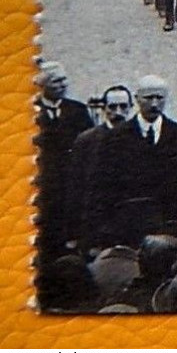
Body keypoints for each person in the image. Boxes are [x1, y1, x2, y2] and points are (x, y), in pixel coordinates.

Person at [96, 75, 177, 249]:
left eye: (159, 98)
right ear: (137, 99)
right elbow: (103, 186)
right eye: (148, 98)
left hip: (170, 223)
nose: (154, 104)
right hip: (130, 227)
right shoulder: (116, 136)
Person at [33, 62, 94, 263]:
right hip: (42, 193)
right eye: (56, 81)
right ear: (42, 85)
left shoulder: (78, 111)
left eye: (64, 79)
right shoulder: (30, 112)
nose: (62, 84)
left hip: (71, 190)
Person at [66, 84, 135, 254]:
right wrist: (74, 233)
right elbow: (76, 188)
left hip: (130, 228)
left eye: (123, 106)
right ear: (104, 109)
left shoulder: (139, 138)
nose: (118, 112)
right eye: (112, 107)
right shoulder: (86, 140)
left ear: (131, 108)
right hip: (95, 228)